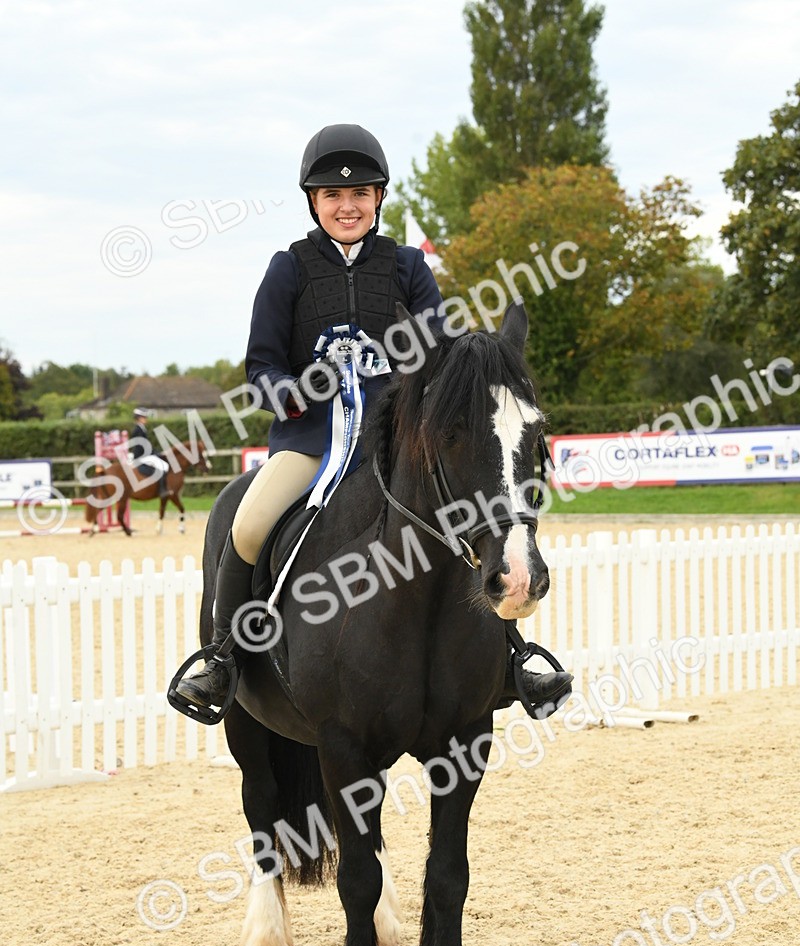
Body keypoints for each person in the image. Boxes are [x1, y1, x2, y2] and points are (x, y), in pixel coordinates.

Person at [175, 124, 571, 718]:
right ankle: (223, 657)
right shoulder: (288, 270)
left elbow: (440, 356)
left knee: (470, 521)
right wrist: (290, 391)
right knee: (248, 524)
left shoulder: (408, 267)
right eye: (333, 196)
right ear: (313, 202)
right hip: (310, 442)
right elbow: (261, 365)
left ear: (379, 197)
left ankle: (511, 656)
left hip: (397, 444)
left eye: (360, 193)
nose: (347, 205)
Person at [129, 407, 168, 498]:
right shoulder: (138, 430)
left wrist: (157, 453)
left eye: (145, 417)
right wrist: (155, 454)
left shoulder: (142, 429)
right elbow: (141, 447)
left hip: (144, 455)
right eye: (144, 417)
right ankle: (162, 490)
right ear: (139, 418)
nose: (146, 419)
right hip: (141, 456)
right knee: (163, 466)